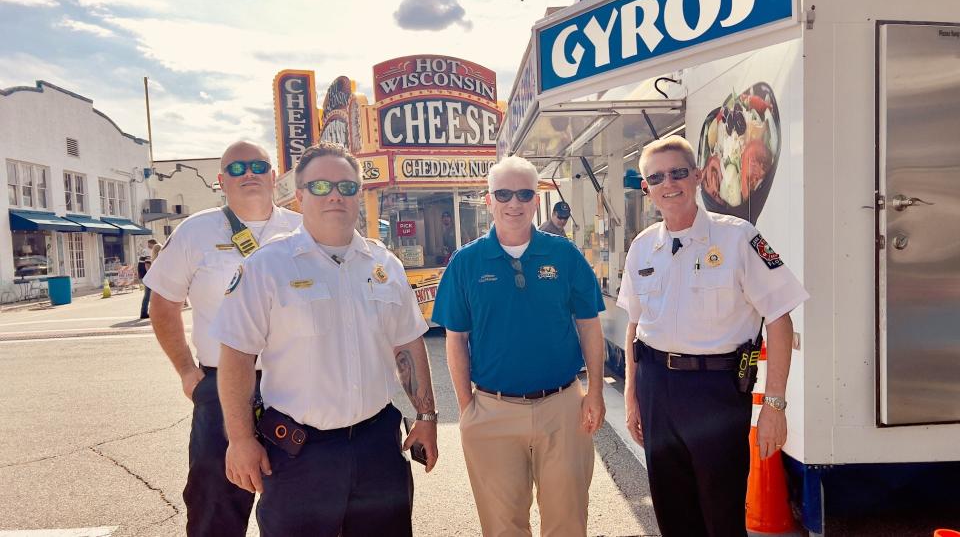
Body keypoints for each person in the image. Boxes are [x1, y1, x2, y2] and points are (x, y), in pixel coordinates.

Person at [212, 141, 439, 537]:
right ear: (299, 196)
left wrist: (427, 416)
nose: (335, 195)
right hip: (298, 455)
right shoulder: (267, 266)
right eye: (320, 187)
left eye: (347, 187)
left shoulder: (385, 264)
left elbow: (408, 344)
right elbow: (236, 358)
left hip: (377, 449)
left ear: (359, 194)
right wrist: (241, 439)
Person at [617, 136, 808, 537]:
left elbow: (779, 317)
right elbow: (635, 326)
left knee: (720, 512)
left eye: (678, 172)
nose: (669, 183)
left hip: (716, 391)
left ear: (698, 176)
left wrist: (774, 405)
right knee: (671, 510)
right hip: (657, 389)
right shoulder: (641, 248)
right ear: (647, 189)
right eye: (657, 176)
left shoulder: (739, 238)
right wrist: (633, 396)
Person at [432, 155, 606, 537]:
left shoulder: (565, 255)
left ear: (536, 198)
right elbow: (456, 339)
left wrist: (595, 390)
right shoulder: (466, 262)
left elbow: (590, 326)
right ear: (488, 199)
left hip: (562, 407)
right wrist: (467, 407)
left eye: (524, 193)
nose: (514, 202)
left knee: (568, 521)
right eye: (504, 193)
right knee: (503, 526)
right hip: (492, 409)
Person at [144, 140, 301, 537]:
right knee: (215, 506)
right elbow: (162, 305)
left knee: (299, 502)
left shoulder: (302, 228)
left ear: (273, 175)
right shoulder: (196, 231)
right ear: (220, 181)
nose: (248, 173)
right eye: (236, 168)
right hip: (221, 385)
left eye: (257, 165)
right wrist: (186, 372)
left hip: (297, 385)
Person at [137, 238, 157, 319]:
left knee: (149, 294)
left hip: (143, 274)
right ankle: (144, 312)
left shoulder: (145, 250)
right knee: (148, 294)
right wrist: (150, 275)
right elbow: (147, 265)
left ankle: (146, 312)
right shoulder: (149, 251)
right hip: (146, 275)